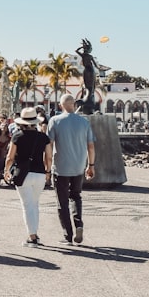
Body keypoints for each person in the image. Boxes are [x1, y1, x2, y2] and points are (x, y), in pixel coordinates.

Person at [45, 96, 96, 244]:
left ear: (61, 105)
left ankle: (68, 235)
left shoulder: (55, 121)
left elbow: (49, 145)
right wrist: (91, 165)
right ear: (74, 105)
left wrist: (48, 166)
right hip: (79, 166)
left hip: (60, 167)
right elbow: (91, 146)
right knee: (76, 196)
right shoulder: (84, 122)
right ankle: (78, 223)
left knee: (62, 201)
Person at [4, 107, 53, 247]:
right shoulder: (43, 137)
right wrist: (48, 171)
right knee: (35, 204)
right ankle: (35, 234)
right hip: (40, 174)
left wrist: (6, 171)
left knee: (27, 205)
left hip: (23, 174)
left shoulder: (17, 136)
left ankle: (32, 237)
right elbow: (49, 157)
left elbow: (10, 157)